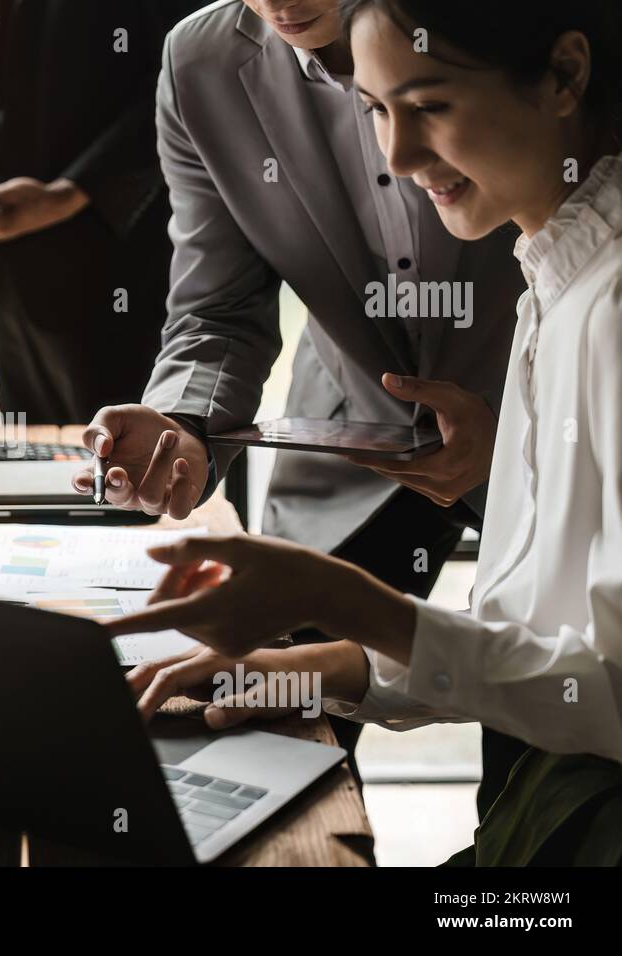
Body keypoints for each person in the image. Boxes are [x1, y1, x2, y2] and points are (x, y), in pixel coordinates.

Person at [114, 0, 622, 866]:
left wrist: (347, 605)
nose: (396, 155)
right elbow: (532, 641)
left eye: (426, 106)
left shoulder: (600, 307)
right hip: (361, 449)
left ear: (568, 75)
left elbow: (592, 686)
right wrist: (332, 663)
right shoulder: (559, 273)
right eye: (380, 110)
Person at [0, 0, 210, 426]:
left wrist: (71, 192)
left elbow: (185, 75)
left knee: (122, 472)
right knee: (31, 468)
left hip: (115, 270)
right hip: (7, 270)